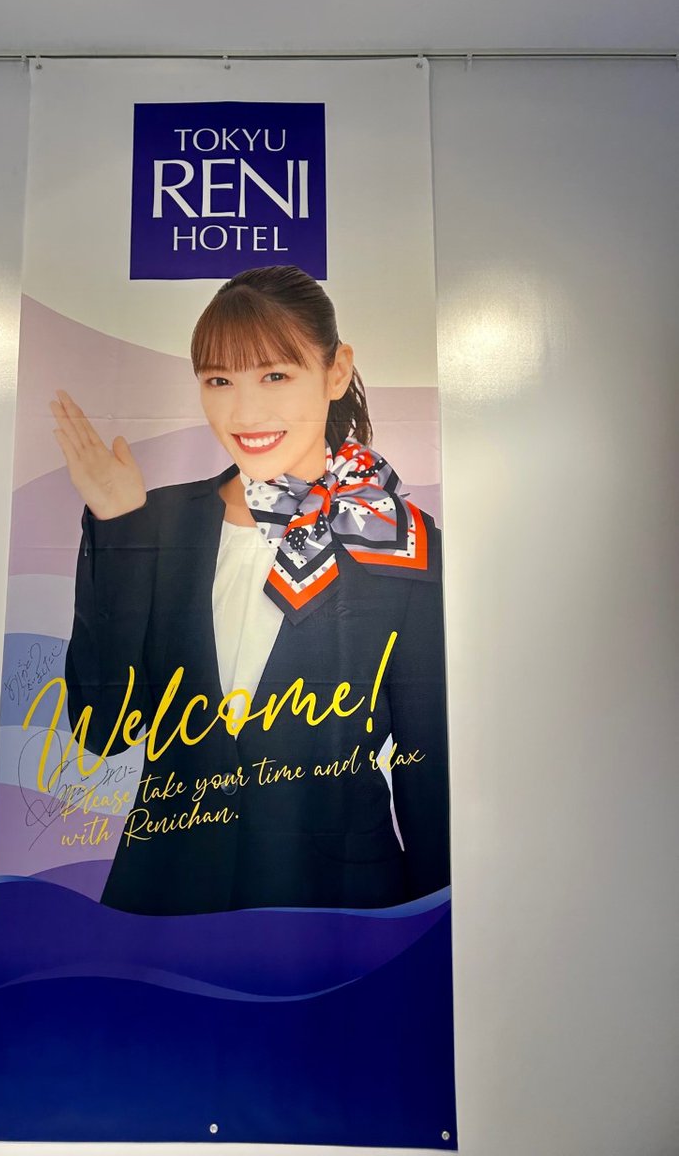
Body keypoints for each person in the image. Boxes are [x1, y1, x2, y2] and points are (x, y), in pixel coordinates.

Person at [50, 265, 450, 916]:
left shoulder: (396, 540)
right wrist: (119, 529)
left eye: (275, 376)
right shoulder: (152, 522)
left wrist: (428, 940)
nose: (244, 411)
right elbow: (104, 730)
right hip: (165, 903)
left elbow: (427, 775)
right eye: (220, 381)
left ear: (337, 371)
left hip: (339, 917)